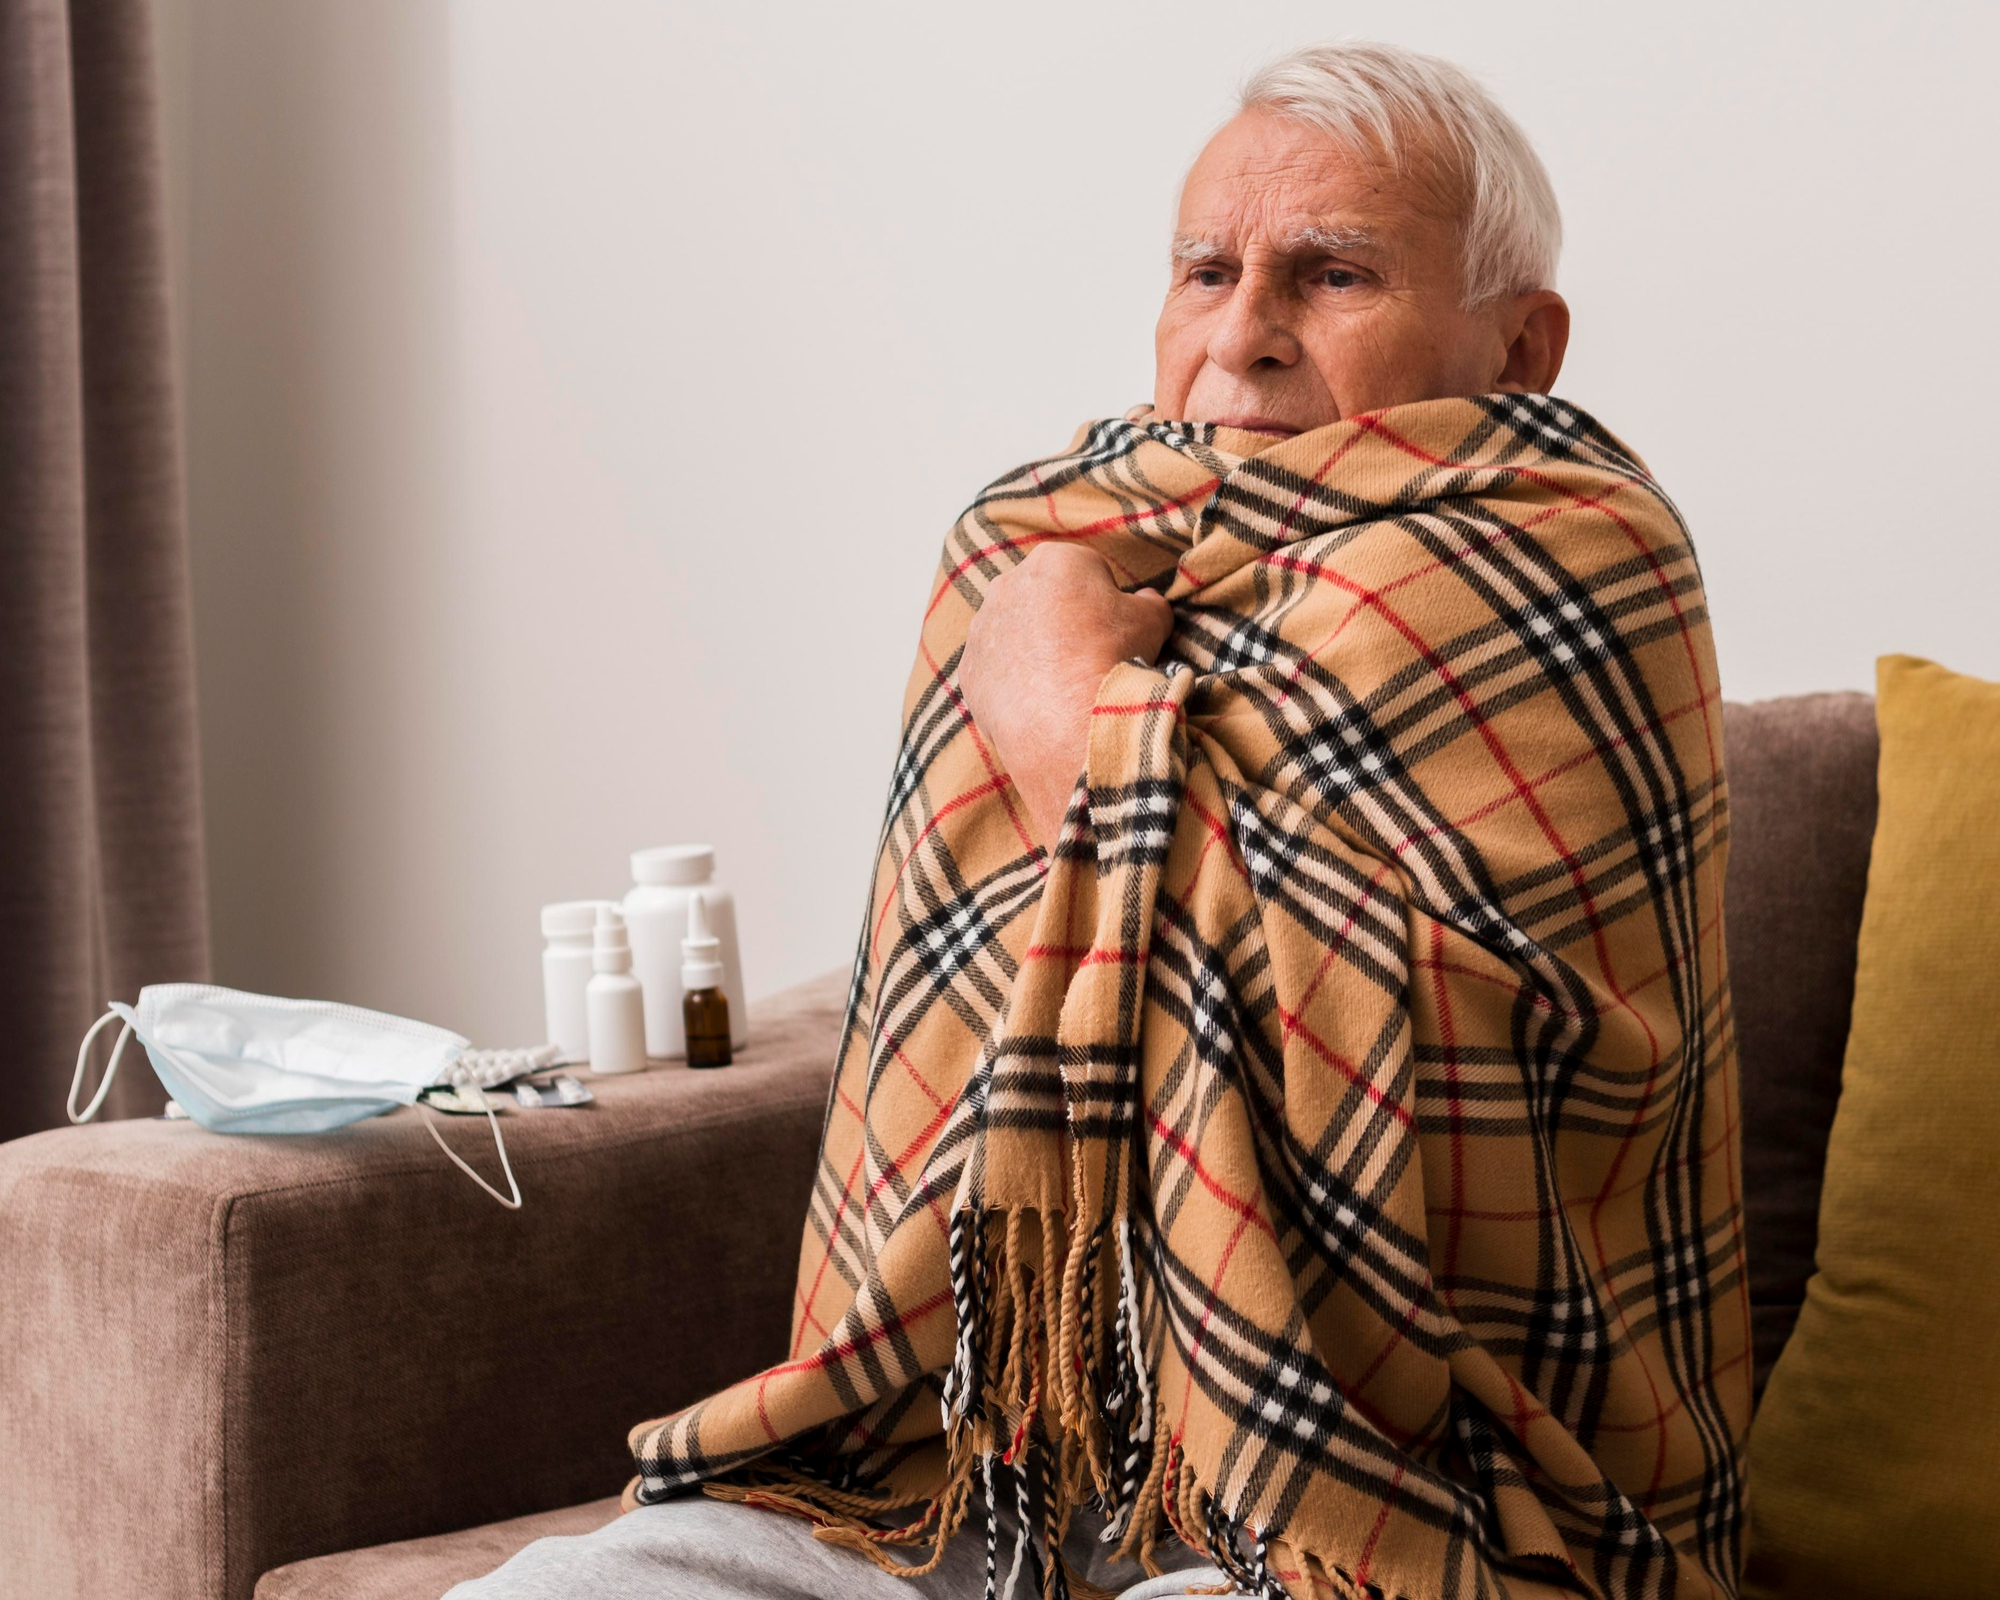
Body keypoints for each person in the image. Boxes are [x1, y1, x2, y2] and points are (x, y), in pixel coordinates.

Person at [455, 39, 1746, 1600]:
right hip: (971, 1455)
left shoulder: (1584, 561)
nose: (1246, 336)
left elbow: (1389, 1027)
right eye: (1207, 270)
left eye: (1333, 276)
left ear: (1522, 344)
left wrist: (1068, 720)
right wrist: (1054, 671)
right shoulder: (1037, 545)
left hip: (1405, 1487)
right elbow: (936, 1025)